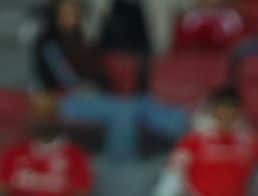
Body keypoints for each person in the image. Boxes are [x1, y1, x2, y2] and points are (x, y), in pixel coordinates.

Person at [110, 87, 258, 196]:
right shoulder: (195, 141)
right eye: (221, 112)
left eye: (231, 113)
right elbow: (174, 171)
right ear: (212, 112)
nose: (226, 118)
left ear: (238, 114)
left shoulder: (249, 143)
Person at [34, 0, 187, 160]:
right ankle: (121, 168)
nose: (73, 17)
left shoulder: (83, 38)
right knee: (123, 111)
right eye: (67, 13)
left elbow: (101, 72)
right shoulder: (48, 43)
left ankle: (187, 157)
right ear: (56, 16)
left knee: (169, 114)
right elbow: (68, 80)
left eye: (75, 12)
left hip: (102, 97)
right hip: (64, 100)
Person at [0, 94, 94, 196]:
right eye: (36, 114)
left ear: (57, 118)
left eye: (46, 114)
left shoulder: (75, 157)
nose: (41, 120)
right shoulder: (12, 154)